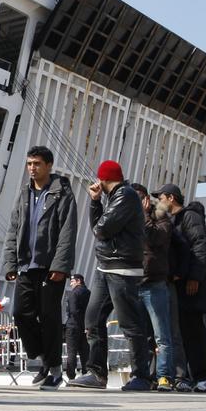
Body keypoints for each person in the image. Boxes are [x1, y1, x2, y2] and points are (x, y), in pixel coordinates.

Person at [70, 160, 151, 391]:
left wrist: (96, 204)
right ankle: (96, 373)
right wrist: (95, 202)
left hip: (122, 267)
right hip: (106, 266)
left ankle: (142, 376)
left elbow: (101, 229)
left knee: (130, 322)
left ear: (103, 178)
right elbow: (100, 229)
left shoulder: (125, 195)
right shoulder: (115, 197)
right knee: (93, 319)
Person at [2, 146, 76, 390]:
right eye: (29, 164)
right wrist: (10, 262)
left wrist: (60, 265)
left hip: (50, 266)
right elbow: (14, 228)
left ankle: (54, 370)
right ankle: (44, 358)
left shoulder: (62, 193)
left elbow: (67, 231)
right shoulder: (24, 193)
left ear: (49, 166)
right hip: (25, 265)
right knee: (20, 313)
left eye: (37, 164)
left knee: (49, 317)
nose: (32, 168)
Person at [155, 183, 206, 392]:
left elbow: (200, 247)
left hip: (192, 285)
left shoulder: (189, 217)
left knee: (195, 332)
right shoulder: (174, 220)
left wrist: (195, 277)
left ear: (170, 198)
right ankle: (187, 376)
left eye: (160, 198)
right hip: (181, 284)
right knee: (185, 332)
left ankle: (204, 377)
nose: (159, 202)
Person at [131, 183, 175, 391]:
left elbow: (157, 238)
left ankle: (164, 376)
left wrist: (144, 217)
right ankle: (143, 375)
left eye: (138, 198)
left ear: (146, 199)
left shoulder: (160, 217)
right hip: (135, 282)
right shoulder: (128, 220)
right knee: (140, 335)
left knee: (161, 335)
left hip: (155, 283)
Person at [63, 274, 90, 380]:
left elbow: (73, 311)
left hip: (73, 326)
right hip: (85, 326)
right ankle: (86, 373)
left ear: (78, 281)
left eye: (72, 281)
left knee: (71, 352)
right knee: (85, 352)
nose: (71, 283)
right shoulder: (88, 292)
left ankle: (71, 376)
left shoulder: (73, 293)